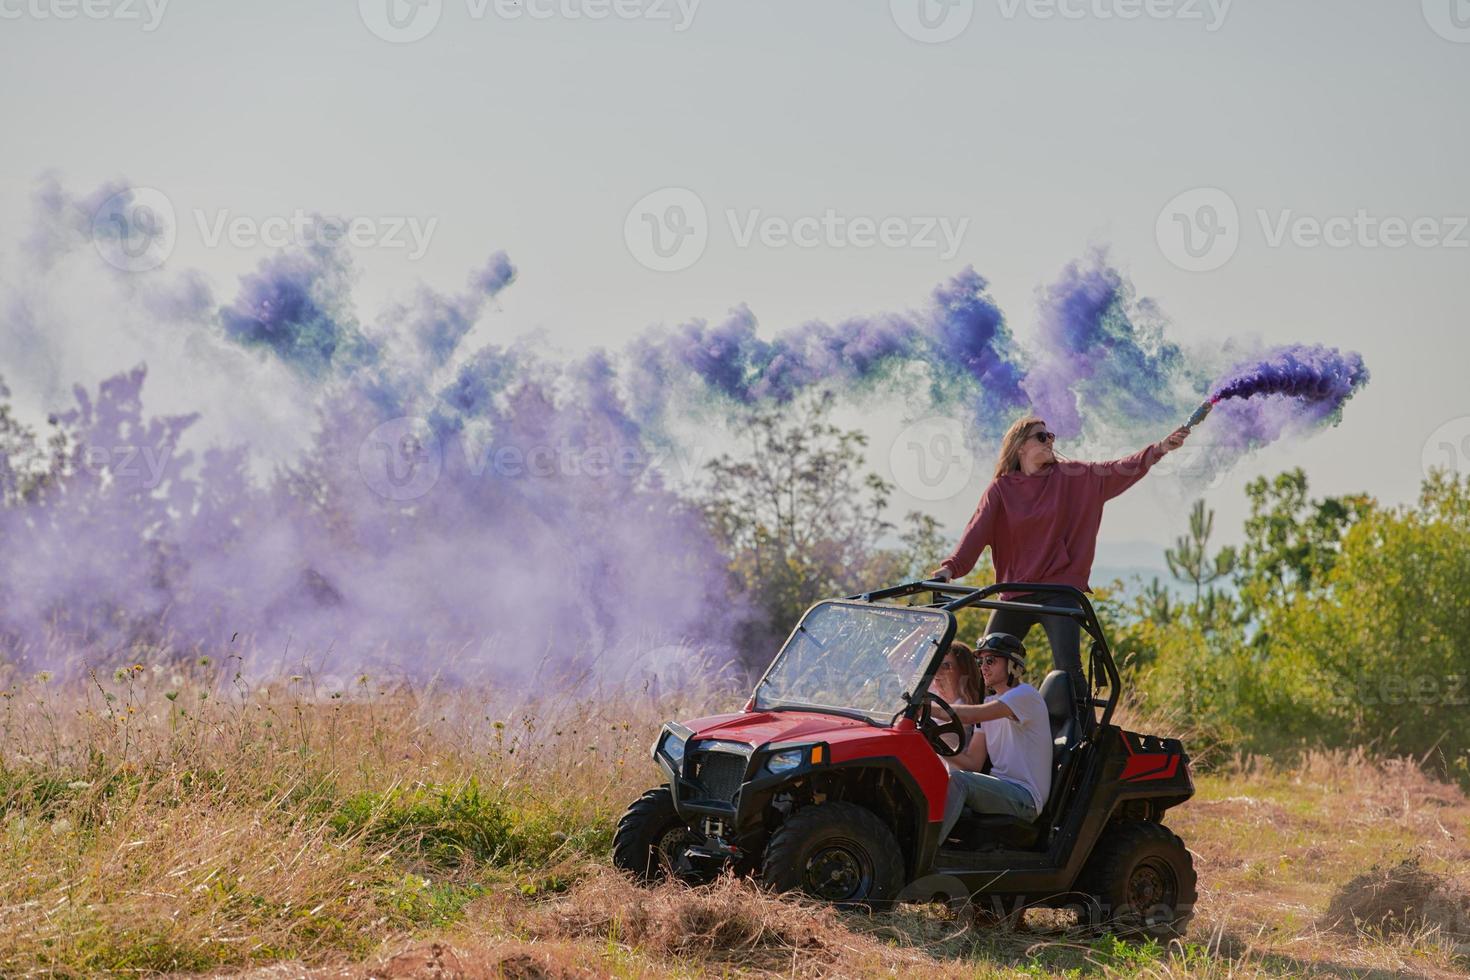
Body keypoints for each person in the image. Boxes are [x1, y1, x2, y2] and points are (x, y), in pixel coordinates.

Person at [930, 416, 1189, 711]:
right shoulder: (1001, 490)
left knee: (1068, 669)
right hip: (1015, 591)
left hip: (1060, 590)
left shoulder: (1074, 477)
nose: (1050, 441)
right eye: (1041, 437)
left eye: (1051, 436)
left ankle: (1085, 740)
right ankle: (977, 738)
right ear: (1020, 447)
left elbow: (1119, 469)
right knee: (985, 663)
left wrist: (1159, 449)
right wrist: (950, 569)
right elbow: (974, 534)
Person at [938, 632, 1053, 841]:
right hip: (999, 790)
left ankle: (926, 854)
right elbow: (972, 763)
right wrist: (934, 743)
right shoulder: (992, 702)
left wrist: (929, 709)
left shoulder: (1025, 696)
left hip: (1025, 798)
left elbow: (974, 714)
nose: (983, 667)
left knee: (959, 781)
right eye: (980, 661)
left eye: (990, 660)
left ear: (1012, 665)